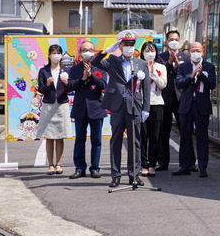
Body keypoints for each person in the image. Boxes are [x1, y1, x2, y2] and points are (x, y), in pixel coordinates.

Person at [91, 30, 151, 188]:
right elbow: (95, 62)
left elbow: (145, 88)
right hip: (117, 106)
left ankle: (134, 175)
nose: (129, 47)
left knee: (135, 142)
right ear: (120, 45)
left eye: (132, 44)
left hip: (134, 106)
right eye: (126, 44)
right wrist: (106, 51)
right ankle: (115, 175)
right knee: (116, 141)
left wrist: (146, 109)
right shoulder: (112, 61)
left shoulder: (141, 64)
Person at [173, 42, 216, 178]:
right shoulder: (183, 67)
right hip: (186, 105)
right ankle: (185, 165)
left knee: (202, 137)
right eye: (193, 50)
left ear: (203, 51)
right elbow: (179, 83)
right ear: (189, 52)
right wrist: (191, 76)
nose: (195, 53)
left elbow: (212, 85)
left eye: (198, 50)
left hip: (201, 105)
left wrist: (201, 75)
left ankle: (202, 167)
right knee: (185, 136)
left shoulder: (209, 67)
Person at [156, 30, 196, 172]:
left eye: (176, 39)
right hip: (166, 98)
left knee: (185, 130)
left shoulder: (185, 56)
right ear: (166, 42)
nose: (174, 41)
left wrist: (179, 64)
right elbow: (159, 74)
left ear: (179, 41)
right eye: (171, 39)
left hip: (182, 98)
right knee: (163, 131)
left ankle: (190, 161)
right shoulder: (160, 57)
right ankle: (162, 162)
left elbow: (188, 76)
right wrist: (169, 63)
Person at [68, 40, 107, 179]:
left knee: (96, 141)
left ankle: (95, 168)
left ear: (94, 51)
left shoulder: (100, 68)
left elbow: (103, 84)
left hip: (96, 108)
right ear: (80, 52)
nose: (87, 52)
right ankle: (79, 168)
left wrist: (91, 76)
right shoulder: (74, 69)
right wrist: (83, 79)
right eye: (84, 50)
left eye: (90, 49)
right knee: (80, 140)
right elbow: (69, 86)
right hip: (80, 109)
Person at [36, 44, 72, 175]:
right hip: (48, 105)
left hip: (62, 104)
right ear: (49, 55)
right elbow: (40, 90)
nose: (56, 55)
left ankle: (59, 164)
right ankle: (50, 164)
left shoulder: (67, 70)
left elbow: (71, 88)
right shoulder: (43, 71)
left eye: (58, 53)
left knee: (60, 136)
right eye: (53, 53)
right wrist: (47, 84)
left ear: (62, 55)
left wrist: (67, 83)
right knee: (49, 136)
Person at [139, 41, 168, 177]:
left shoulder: (161, 67)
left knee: (155, 136)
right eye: (147, 50)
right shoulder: (138, 65)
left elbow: (163, 85)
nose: (149, 52)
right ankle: (143, 164)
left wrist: (153, 74)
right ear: (142, 52)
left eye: (152, 50)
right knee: (143, 136)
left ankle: (152, 164)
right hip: (142, 105)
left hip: (157, 103)